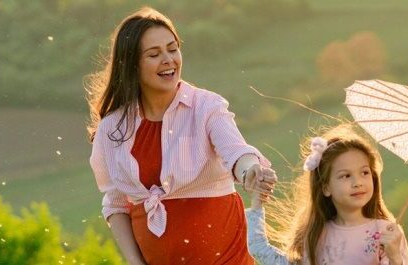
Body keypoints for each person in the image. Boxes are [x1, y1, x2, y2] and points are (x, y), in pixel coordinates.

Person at [86, 7, 278, 265]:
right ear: (131, 64)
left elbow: (236, 151)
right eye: (154, 54)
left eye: (172, 49)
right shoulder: (112, 129)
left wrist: (250, 170)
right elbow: (116, 203)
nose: (168, 59)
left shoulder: (207, 107)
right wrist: (135, 261)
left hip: (227, 257)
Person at [245, 124, 408, 265]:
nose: (358, 182)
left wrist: (395, 257)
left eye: (365, 173)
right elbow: (260, 249)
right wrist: (257, 202)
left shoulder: (386, 233)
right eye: (346, 175)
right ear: (325, 188)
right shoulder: (316, 234)